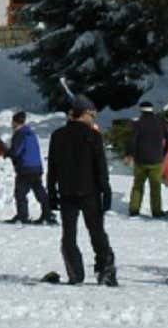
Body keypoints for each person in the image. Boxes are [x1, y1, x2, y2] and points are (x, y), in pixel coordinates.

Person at [47, 97, 116, 286]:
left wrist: (51, 192)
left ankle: (75, 273)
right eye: (92, 115)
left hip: (67, 192)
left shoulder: (58, 135)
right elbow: (100, 166)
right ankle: (105, 270)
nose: (93, 118)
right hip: (89, 191)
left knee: (68, 234)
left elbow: (52, 167)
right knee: (97, 232)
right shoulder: (93, 136)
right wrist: (106, 190)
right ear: (83, 114)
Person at [128, 102, 168, 218]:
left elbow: (133, 140)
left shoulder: (138, 124)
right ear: (152, 109)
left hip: (140, 160)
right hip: (157, 159)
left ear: (141, 110)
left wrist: (131, 154)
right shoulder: (160, 122)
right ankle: (156, 211)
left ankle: (134, 209)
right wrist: (163, 152)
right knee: (155, 186)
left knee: (138, 185)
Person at [7, 111, 52, 224]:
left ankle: (22, 216)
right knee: (39, 191)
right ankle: (47, 213)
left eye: (12, 122)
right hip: (36, 167)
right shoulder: (31, 133)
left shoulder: (19, 134)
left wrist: (8, 152)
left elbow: (16, 151)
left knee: (20, 193)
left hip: (25, 167)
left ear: (15, 122)